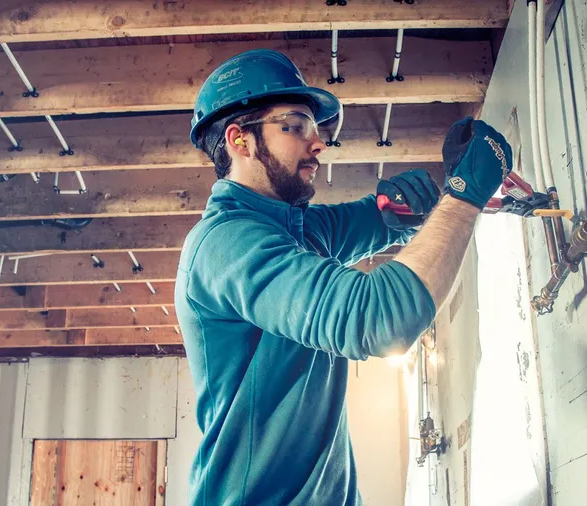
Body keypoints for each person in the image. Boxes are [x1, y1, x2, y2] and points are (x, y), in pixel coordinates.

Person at [174, 48, 511, 505]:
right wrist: (463, 196)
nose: (317, 143)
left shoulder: (297, 229)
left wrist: (404, 207)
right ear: (240, 140)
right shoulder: (226, 244)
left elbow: (367, 220)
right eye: (293, 126)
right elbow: (379, 317)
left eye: (315, 130)